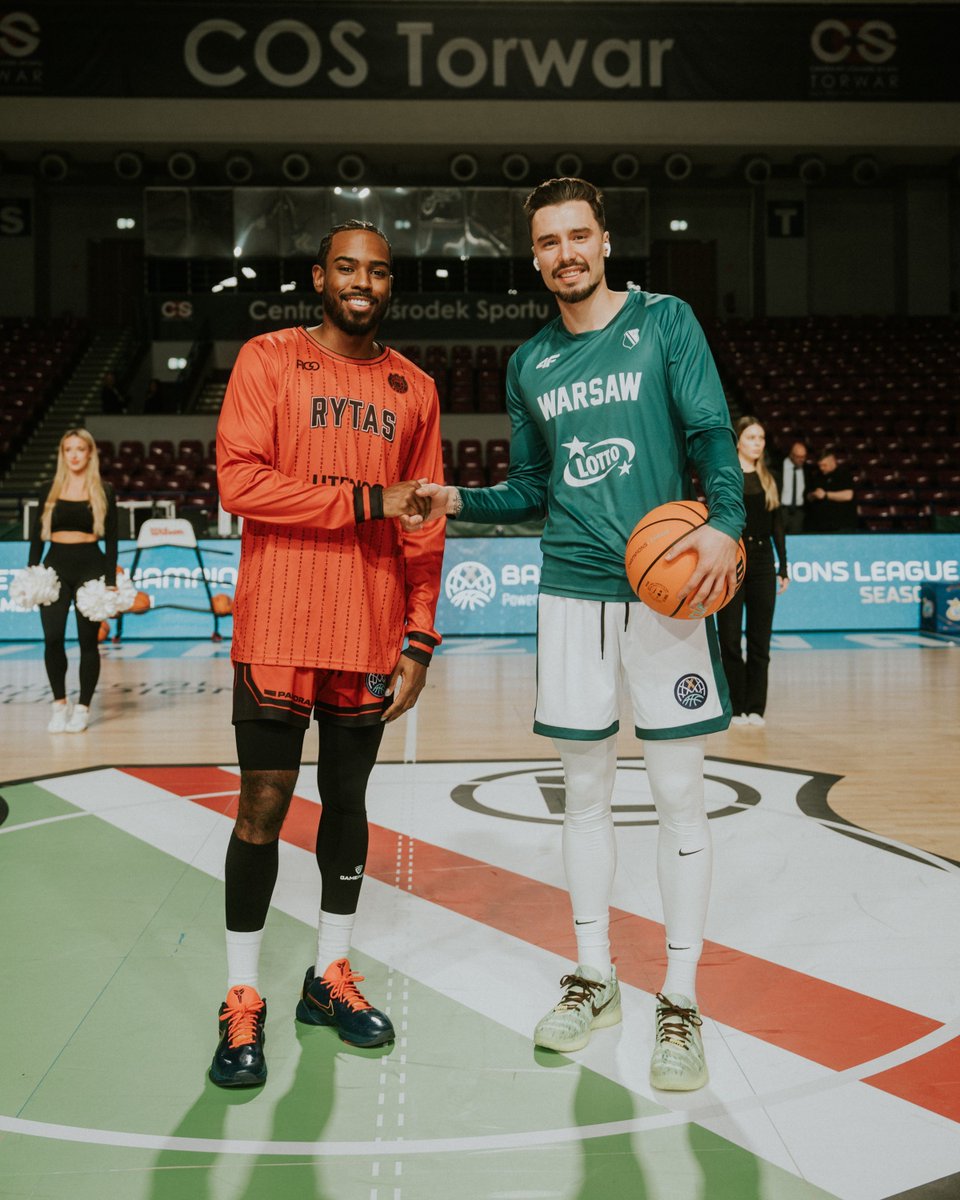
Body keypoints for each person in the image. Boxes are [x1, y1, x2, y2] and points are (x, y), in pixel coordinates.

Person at [415, 178, 744, 1091]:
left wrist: (726, 521)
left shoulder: (665, 322)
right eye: (549, 241)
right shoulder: (530, 365)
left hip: (665, 598)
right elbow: (531, 487)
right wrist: (458, 500)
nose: (566, 252)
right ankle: (595, 976)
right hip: (569, 594)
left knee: (681, 796)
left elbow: (714, 433)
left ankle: (679, 999)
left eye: (580, 236)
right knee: (585, 797)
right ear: (534, 257)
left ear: (605, 243)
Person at [210, 219, 445, 1089]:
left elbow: (425, 523)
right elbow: (240, 481)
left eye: (378, 272)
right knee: (263, 808)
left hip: (371, 627)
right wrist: (362, 499)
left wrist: (421, 634)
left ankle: (328, 976)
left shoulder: (414, 388)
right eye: (347, 267)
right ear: (319, 277)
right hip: (278, 622)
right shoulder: (267, 359)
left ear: (391, 285)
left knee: (347, 802)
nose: (363, 282)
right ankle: (241, 994)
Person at [28, 428, 117, 733]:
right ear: (62, 454)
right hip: (54, 569)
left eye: (80, 448)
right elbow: (36, 539)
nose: (75, 454)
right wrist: (32, 572)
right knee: (52, 638)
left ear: (90, 453)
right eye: (69, 449)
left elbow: (114, 540)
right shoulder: (48, 489)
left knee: (87, 641)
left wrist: (109, 579)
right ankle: (59, 705)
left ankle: (83, 707)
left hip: (90, 566)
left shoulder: (104, 490)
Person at [716, 417, 789, 728]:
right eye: (751, 437)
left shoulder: (770, 479)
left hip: (761, 563)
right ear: (738, 442)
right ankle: (736, 706)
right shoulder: (725, 477)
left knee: (760, 641)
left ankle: (756, 708)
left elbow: (778, 527)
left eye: (761, 438)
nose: (758, 443)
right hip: (730, 561)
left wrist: (783, 566)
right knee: (730, 639)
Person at [804, 448, 857, 533]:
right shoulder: (816, 475)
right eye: (820, 465)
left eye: (824, 465)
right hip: (820, 526)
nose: (821, 468)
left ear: (832, 461)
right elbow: (808, 496)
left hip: (841, 525)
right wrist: (814, 495)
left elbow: (848, 495)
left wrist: (826, 495)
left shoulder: (844, 474)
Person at [779, 440, 807, 534]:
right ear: (791, 455)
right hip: (782, 510)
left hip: (798, 511)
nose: (801, 459)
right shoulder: (779, 466)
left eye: (804, 457)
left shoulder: (807, 469)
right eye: (798, 457)